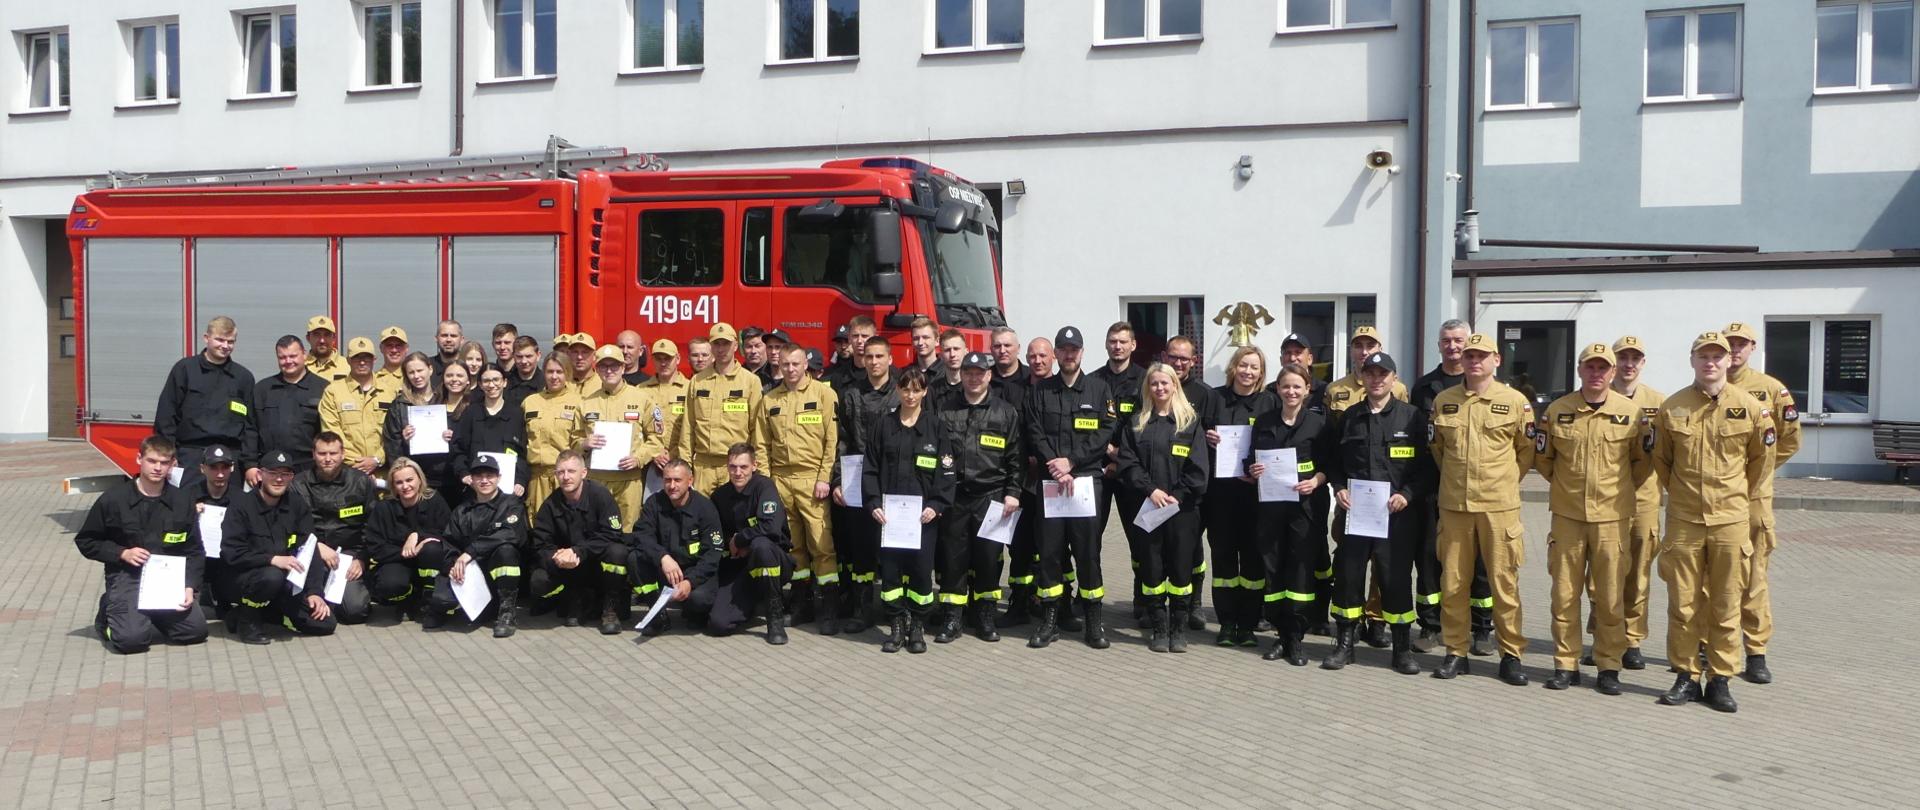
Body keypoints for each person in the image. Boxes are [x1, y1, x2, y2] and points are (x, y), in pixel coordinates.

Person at [1652, 331, 1773, 714]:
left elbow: (1759, 464)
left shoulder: (1750, 407)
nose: (1711, 362)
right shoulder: (1672, 408)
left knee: (1725, 603)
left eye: (1718, 356)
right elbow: (1662, 464)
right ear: (1692, 361)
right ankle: (1686, 676)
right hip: (1685, 520)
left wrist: (1732, 498)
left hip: (1730, 522)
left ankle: (1720, 679)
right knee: (1684, 605)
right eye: (1703, 356)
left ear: (1728, 361)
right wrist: (1688, 496)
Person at [1535, 343, 1651, 695]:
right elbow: (1544, 460)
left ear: (1613, 373)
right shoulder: (1557, 411)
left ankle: (1608, 665)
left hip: (1612, 519)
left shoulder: (1632, 414)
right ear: (1580, 370)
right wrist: (1570, 488)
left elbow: (1642, 465)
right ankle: (1565, 663)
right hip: (1568, 517)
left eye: (1604, 367)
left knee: (1611, 596)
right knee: (1565, 595)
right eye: (1590, 366)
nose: (1597, 373)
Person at [1429, 333, 1536, 685]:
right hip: (1455, 507)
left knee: (1504, 584)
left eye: (1482, 355)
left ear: (1496, 360)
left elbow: (1526, 452)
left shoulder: (1516, 402)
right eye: (1470, 355)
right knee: (1454, 583)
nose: (1474, 361)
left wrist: (1502, 482)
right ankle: (1455, 652)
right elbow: (1438, 451)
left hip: (1498, 508)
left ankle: (1511, 655)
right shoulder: (1444, 401)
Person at [1326, 352, 1430, 675]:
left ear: (1394, 379)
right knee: (1348, 577)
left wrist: (1407, 495)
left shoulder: (1412, 418)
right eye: (1370, 373)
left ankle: (1401, 649)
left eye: (1383, 374)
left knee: (1395, 579)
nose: (1376, 379)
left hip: (1395, 517)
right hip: (1355, 514)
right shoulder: (1350, 417)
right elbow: (1334, 462)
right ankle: (1345, 644)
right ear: (1362, 377)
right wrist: (1339, 487)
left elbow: (1426, 469)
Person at [1023, 326, 1117, 650]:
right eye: (1062, 349)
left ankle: (1094, 622)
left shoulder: (1099, 389)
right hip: (1051, 481)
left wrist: (1072, 462)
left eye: (1073, 349)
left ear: (1081, 352)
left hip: (1086, 482)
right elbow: (1034, 430)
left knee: (1088, 553)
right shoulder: (1040, 392)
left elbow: (1105, 431)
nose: (1068, 354)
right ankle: (1049, 621)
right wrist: (1054, 463)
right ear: (1055, 354)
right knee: (1049, 553)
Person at [75, 435, 207, 654]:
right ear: (139, 459)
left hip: (167, 581)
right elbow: (86, 541)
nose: (157, 468)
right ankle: (108, 616)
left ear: (172, 465)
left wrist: (189, 586)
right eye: (152, 461)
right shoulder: (114, 500)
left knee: (195, 632)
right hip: (128, 577)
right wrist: (122, 553)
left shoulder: (183, 501)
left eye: (164, 463)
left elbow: (194, 550)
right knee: (131, 641)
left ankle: (149, 614)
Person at [1722, 321, 1800, 684]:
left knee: (1753, 578)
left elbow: (1788, 439)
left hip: (1753, 499)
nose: (1735, 350)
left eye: (1742, 344)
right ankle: (1712, 645)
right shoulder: (1707, 390)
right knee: (1714, 578)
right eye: (1730, 344)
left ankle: (1755, 652)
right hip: (1716, 501)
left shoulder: (1771, 390)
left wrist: (1755, 472)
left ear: (1753, 347)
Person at [1409, 320, 1493, 650]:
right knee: (1429, 556)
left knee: (1479, 560)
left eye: (1459, 340)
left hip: (1478, 488)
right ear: (1439, 345)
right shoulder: (1425, 387)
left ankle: (1481, 627)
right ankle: (1430, 625)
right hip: (1433, 486)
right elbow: (1422, 440)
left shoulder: (1485, 384)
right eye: (1447, 341)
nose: (1454, 347)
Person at [1116, 362, 1211, 653]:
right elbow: (1127, 464)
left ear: (1175, 386)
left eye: (1165, 383)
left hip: (1182, 512)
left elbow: (1199, 470)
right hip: (1148, 507)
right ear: (1148, 387)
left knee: (1181, 571)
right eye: (1154, 383)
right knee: (1152, 569)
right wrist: (1152, 491)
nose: (1159, 388)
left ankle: (1178, 628)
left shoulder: (1190, 422)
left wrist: (1177, 495)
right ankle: (1159, 625)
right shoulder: (1136, 423)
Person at [863, 367, 956, 654]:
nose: (911, 394)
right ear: (898, 390)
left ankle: (917, 626)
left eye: (917, 389)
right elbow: (870, 468)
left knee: (919, 573)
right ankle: (896, 626)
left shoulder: (936, 428)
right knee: (890, 574)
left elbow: (947, 471)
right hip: (889, 517)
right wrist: (874, 503)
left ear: (925, 391)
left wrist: (937, 506)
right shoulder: (883, 425)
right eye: (906, 389)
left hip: (922, 518)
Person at [933, 352, 1023, 643]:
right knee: (953, 560)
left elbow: (1015, 459)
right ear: (963, 376)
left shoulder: (1005, 412)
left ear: (988, 376)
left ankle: (985, 616)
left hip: (992, 497)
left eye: (979, 373)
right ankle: (952, 618)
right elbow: (935, 456)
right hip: (955, 497)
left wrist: (1013, 493)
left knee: (988, 559)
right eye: (968, 373)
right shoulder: (945, 411)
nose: (973, 378)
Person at [1248, 363, 1332, 664]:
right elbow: (1251, 459)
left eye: (1298, 386)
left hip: (1305, 510)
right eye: (1286, 386)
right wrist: (1253, 469)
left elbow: (1330, 466)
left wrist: (1316, 480)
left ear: (1307, 389)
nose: (1292, 391)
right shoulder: (1264, 422)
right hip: (1271, 508)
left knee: (1299, 570)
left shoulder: (1318, 424)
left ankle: (1296, 638)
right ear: (1278, 389)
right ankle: (1280, 637)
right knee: (1273, 570)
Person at [755, 344, 840, 634]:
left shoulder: (824, 395)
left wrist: (824, 478)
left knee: (821, 545)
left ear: (806, 365)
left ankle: (828, 608)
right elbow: (761, 445)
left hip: (811, 479)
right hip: (780, 480)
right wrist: (766, 483)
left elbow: (832, 441)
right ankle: (802, 603)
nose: (790, 369)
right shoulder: (769, 400)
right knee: (794, 546)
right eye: (786, 364)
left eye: (795, 364)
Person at [220, 450, 339, 645]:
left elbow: (310, 551)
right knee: (271, 576)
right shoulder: (241, 506)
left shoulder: (297, 505)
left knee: (324, 624)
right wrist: (272, 560)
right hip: (247, 578)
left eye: (285, 474)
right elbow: (232, 553)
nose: (279, 479)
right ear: (260, 475)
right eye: (273, 473)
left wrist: (314, 592)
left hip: (286, 583)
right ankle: (248, 619)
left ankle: (267, 612)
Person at [1204, 346, 1273, 647]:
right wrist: (1208, 438)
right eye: (1243, 365)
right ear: (1233, 367)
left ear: (1261, 372)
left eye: (1254, 367)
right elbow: (1197, 437)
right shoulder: (1214, 398)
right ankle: (1226, 623)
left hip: (1256, 497)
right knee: (1223, 564)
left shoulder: (1269, 401)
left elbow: (1276, 443)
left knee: (1254, 564)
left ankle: (1247, 624)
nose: (1248, 371)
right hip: (1221, 497)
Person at [830, 336, 900, 632]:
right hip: (858, 479)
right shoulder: (851, 394)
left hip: (895, 480)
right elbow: (840, 441)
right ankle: (862, 608)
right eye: (869, 357)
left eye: (879, 356)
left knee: (894, 548)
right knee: (861, 548)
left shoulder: (901, 393)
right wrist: (837, 479)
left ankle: (895, 610)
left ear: (890, 359)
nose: (873, 362)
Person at [530, 451, 633, 634]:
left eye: (571, 471)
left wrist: (579, 551)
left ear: (583, 473)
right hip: (571, 568)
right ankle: (573, 598)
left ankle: (610, 608)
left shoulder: (600, 496)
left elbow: (612, 533)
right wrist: (558, 557)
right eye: (561, 472)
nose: (566, 477)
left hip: (598, 565)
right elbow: (540, 544)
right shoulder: (550, 505)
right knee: (538, 581)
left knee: (618, 552)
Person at [702, 445, 797, 642]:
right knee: (718, 624)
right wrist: (730, 542)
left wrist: (740, 539)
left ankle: (775, 617)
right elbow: (716, 534)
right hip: (740, 567)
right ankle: (751, 603)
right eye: (733, 467)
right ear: (727, 467)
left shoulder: (764, 487)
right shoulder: (720, 496)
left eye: (743, 467)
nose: (738, 473)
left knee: (760, 546)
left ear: (754, 465)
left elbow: (770, 527)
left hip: (774, 562)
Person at [1609, 335, 1664, 670]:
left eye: (1635, 358)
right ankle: (1604, 635)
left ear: (1643, 363)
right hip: (1605, 502)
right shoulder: (1596, 396)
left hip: (1643, 500)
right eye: (1623, 358)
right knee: (1603, 574)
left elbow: (1668, 453)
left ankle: (1631, 639)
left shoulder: (1659, 403)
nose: (1629, 364)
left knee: (1637, 574)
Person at [154, 315, 258, 487]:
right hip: (190, 457)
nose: (225, 346)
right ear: (206, 338)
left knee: (229, 511)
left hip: (229, 459)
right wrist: (168, 456)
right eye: (220, 340)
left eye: (231, 341)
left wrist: (248, 463)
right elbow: (166, 417)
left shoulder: (243, 378)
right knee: (186, 509)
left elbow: (250, 427)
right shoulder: (185, 370)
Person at [1275, 332, 1334, 635]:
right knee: (1285, 555)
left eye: (1299, 352)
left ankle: (1320, 614)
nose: (1294, 357)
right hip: (1278, 496)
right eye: (1288, 352)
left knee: (1318, 555)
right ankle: (1283, 615)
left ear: (1311, 358)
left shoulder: (1328, 393)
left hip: (1313, 495)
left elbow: (1331, 449)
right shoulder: (1273, 396)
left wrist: (1318, 479)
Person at [1090, 323, 1148, 625]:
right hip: (1098, 470)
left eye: (1123, 342)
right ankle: (1089, 596)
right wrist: (1106, 456)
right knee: (1090, 537)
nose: (1117, 347)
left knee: (1138, 536)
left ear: (1133, 345)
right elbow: (1087, 425)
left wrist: (1120, 458)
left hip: (1129, 471)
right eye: (1112, 341)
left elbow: (1143, 428)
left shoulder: (1144, 381)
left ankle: (1142, 598)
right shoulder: (1093, 381)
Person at [628, 458, 726, 636]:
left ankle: (695, 613)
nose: (672, 485)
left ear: (690, 481)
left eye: (677, 480)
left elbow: (713, 553)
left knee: (699, 600)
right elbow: (641, 535)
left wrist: (690, 581)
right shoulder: (654, 503)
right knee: (634, 558)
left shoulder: (705, 508)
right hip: (666, 569)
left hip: (695, 572)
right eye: (667, 480)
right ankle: (657, 614)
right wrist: (662, 557)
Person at [434, 456, 528, 637]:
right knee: (441, 600)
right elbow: (449, 542)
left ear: (499, 477)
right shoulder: (461, 511)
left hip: (500, 577)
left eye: (489, 475)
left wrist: (470, 552)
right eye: (479, 476)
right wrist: (453, 565)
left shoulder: (512, 504)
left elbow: (512, 534)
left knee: (506, 550)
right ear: (471, 479)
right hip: (472, 578)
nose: (484, 480)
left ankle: (506, 612)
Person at [1162, 335, 1219, 632]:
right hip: (1161, 484)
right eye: (1174, 357)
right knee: (1153, 545)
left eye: (1184, 358)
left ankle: (1194, 603)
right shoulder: (1153, 387)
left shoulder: (1205, 395)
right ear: (1164, 356)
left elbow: (1212, 436)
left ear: (1193, 362)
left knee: (1192, 546)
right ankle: (1150, 605)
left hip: (1194, 486)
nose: (1179, 363)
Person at [293, 432, 378, 625]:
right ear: (313, 454)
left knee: (355, 612)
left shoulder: (360, 482)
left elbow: (372, 527)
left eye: (333, 453)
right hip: (312, 554)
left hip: (349, 556)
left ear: (342, 454)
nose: (328, 459)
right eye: (322, 453)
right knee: (310, 612)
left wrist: (362, 559)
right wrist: (316, 546)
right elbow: (291, 526)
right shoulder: (298, 484)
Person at [1002, 336, 1055, 627]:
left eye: (1043, 356)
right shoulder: (1013, 390)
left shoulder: (1060, 390)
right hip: (1021, 481)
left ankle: (1055, 603)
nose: (1038, 360)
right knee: (1020, 546)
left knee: (1054, 545)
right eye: (1033, 356)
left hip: (1051, 479)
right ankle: (1019, 602)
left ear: (1053, 358)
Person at [363, 457, 454, 624]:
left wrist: (418, 537)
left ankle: (430, 601)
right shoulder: (384, 508)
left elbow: (449, 534)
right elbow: (375, 546)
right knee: (389, 585)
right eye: (399, 482)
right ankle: (408, 599)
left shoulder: (435, 501)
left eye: (410, 480)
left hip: (430, 563)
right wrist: (405, 552)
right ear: (393, 486)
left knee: (432, 548)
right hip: (397, 561)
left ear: (420, 479)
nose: (405, 486)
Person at [673, 323, 763, 493]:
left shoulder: (750, 382)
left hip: (735, 467)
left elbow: (757, 430)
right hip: (703, 467)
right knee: (700, 518)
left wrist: (755, 468)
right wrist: (686, 466)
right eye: (716, 344)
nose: (721, 349)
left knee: (735, 517)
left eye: (726, 344)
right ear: (711, 347)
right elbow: (688, 427)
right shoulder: (697, 381)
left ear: (736, 346)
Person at [579, 344, 658, 527]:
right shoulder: (586, 403)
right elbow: (574, 440)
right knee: (595, 529)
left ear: (623, 368)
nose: (609, 371)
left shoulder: (642, 399)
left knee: (627, 531)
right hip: (595, 480)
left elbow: (656, 438)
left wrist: (638, 458)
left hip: (628, 480)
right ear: (596, 369)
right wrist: (584, 443)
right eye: (603, 366)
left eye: (614, 366)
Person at [252, 336, 325, 484]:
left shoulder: (323, 388)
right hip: (270, 468)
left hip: (309, 469)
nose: (288, 361)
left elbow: (329, 433)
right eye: (282, 357)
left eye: (293, 356)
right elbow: (251, 429)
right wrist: (250, 465)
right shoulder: (263, 389)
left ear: (304, 355)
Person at [452, 366, 531, 500]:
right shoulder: (471, 413)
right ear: (480, 384)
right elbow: (458, 449)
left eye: (496, 380)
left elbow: (522, 453)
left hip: (508, 491)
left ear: (504, 382)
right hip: (476, 489)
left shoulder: (516, 414)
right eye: (486, 381)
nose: (491, 385)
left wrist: (520, 481)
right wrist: (463, 473)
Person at [382, 352, 456, 495]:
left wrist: (450, 436)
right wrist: (404, 440)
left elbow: (461, 436)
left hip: (445, 477)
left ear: (430, 369)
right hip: (413, 480)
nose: (416, 376)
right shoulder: (399, 405)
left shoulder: (445, 399)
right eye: (411, 372)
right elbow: (391, 444)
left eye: (420, 370)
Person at [523, 351, 585, 518]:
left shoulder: (579, 403)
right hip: (536, 477)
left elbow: (579, 441)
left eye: (560, 371)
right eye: (550, 372)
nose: (554, 376)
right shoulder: (530, 402)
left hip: (565, 478)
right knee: (536, 523)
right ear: (544, 373)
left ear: (568, 374)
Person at [317, 337, 388, 477]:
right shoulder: (333, 391)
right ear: (348, 360)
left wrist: (377, 459)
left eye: (366, 357)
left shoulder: (388, 392)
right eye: (356, 358)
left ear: (374, 359)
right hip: (347, 473)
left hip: (383, 472)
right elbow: (332, 433)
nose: (362, 362)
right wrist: (360, 464)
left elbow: (394, 434)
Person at [187, 445, 240, 621]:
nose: (219, 474)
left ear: (232, 468)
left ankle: (224, 598)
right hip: (197, 557)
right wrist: (189, 514)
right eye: (213, 468)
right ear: (202, 468)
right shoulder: (188, 496)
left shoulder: (241, 498)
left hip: (226, 559)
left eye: (224, 467)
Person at [824, 318, 875, 391]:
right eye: (855, 336)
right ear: (850, 338)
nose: (843, 346)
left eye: (864, 336)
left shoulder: (887, 374)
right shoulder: (836, 376)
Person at [989, 326, 1027, 403]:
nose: (1002, 351)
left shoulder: (1030, 379)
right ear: (991, 350)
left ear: (1018, 348)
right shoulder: (983, 379)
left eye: (1007, 345)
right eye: (997, 346)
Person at [305, 316, 348, 384]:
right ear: (308, 338)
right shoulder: (300, 366)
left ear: (334, 338)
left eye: (327, 335)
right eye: (317, 335)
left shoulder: (348, 366)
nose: (322, 340)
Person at [505, 336, 544, 407]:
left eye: (528, 356)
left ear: (538, 355)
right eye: (519, 357)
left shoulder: (547, 384)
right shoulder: (504, 383)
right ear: (513, 356)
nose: (524, 361)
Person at [375, 326, 410, 394]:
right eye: (389, 345)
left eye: (398, 345)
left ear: (406, 348)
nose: (394, 350)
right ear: (381, 348)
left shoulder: (414, 379)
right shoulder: (372, 380)